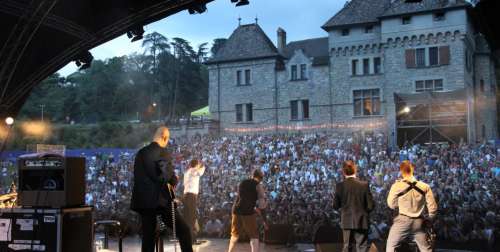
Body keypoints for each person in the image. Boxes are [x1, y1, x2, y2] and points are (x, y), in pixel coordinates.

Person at [130, 126, 193, 252]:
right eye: (167, 140)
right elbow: (166, 177)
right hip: (160, 202)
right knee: (184, 230)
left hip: (143, 202)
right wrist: (174, 178)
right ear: (164, 137)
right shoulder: (162, 152)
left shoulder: (141, 153)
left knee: (148, 237)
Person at [386, 160, 438, 252]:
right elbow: (433, 208)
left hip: (402, 221)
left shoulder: (397, 186)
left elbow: (391, 205)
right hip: (419, 222)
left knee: (391, 246)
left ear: (401, 171)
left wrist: (401, 204)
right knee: (426, 250)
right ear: (412, 170)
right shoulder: (425, 186)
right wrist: (429, 219)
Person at [333, 160, 375, 252]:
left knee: (347, 247)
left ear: (343, 172)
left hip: (346, 221)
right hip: (361, 221)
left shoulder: (340, 186)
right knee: (362, 247)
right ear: (355, 170)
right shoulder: (364, 185)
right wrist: (363, 212)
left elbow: (335, 206)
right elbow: (371, 206)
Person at [228, 169, 267, 252]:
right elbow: (262, 204)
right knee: (254, 235)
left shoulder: (243, 182)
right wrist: (264, 220)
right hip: (248, 212)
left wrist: (254, 208)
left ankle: (230, 251)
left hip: (236, 210)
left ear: (252, 175)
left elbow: (241, 199)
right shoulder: (258, 185)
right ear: (260, 178)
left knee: (234, 234)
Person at [182, 159, 205, 244]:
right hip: (191, 196)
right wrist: (201, 165)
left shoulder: (186, 172)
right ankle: (191, 240)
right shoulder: (195, 171)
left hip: (186, 195)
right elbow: (202, 169)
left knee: (187, 217)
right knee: (191, 218)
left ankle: (188, 239)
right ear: (196, 165)